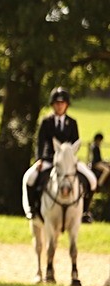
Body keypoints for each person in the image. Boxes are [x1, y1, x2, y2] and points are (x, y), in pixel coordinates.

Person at [22, 87, 97, 222]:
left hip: (68, 162)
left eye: (62, 103)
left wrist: (70, 158)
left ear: (66, 105)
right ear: (53, 105)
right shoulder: (46, 122)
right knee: (29, 177)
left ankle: (85, 211)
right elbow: (40, 143)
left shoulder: (72, 123)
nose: (59, 106)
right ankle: (31, 209)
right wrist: (39, 159)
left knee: (92, 180)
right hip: (49, 159)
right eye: (57, 103)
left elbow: (75, 143)